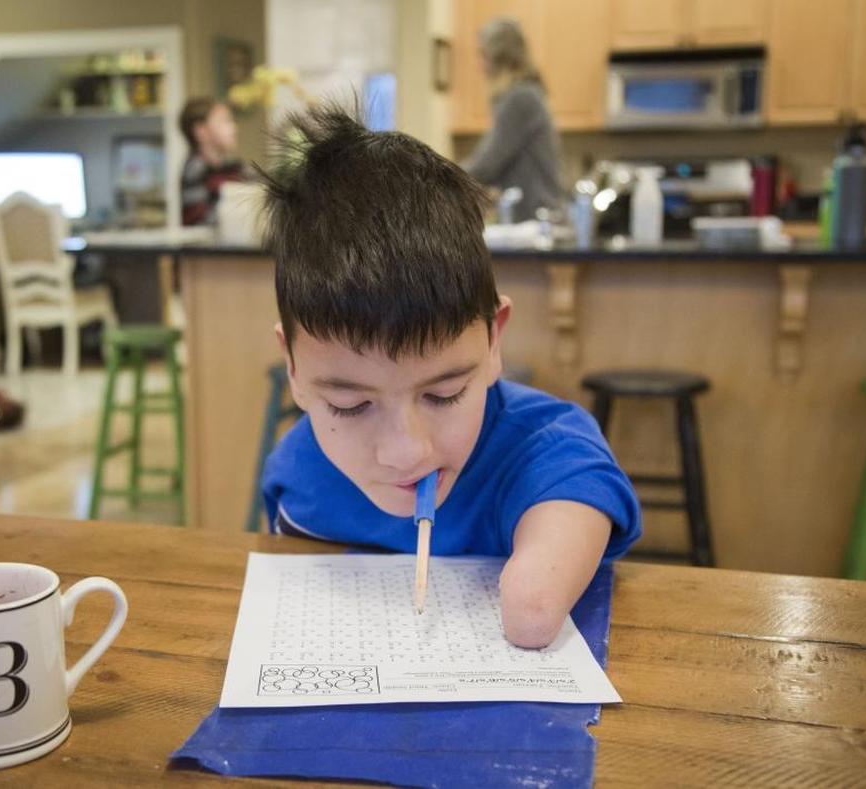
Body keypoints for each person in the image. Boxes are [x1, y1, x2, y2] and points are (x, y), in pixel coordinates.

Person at [259, 105, 640, 649]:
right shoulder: (296, 473)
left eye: (444, 393)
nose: (405, 453)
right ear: (293, 368)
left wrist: (533, 590)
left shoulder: (545, 450)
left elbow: (534, 614)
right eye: (349, 405)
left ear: (492, 341)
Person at [461, 17, 562, 223]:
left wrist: (439, 178)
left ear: (498, 58)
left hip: (537, 221)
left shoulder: (520, 99)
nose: (479, 65)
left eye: (482, 55)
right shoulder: (523, 95)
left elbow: (486, 165)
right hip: (534, 219)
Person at [178, 97, 244, 225]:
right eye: (225, 121)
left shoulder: (236, 168)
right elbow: (199, 223)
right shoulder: (195, 170)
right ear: (201, 131)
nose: (234, 128)